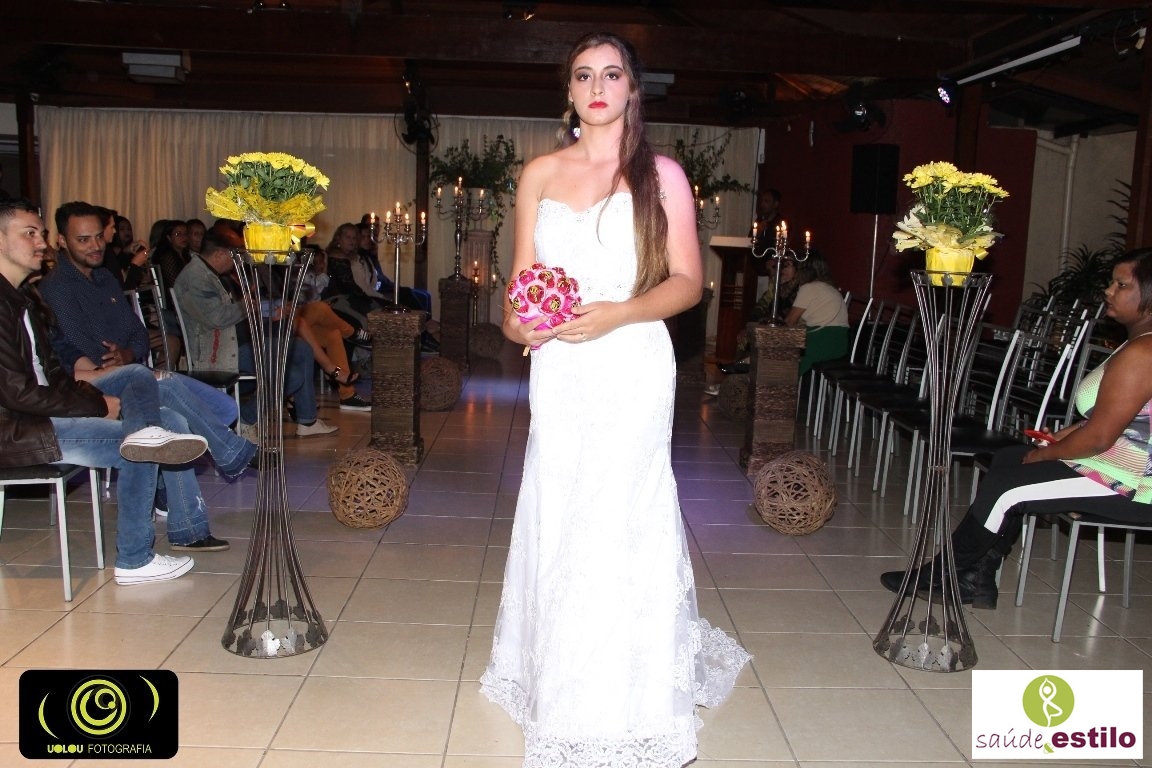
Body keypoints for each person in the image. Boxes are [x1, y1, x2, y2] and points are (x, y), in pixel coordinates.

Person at [480, 32, 750, 767]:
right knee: (561, 504)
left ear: (633, 88)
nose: (597, 87)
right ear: (568, 91)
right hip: (561, 369)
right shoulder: (539, 173)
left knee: (619, 511)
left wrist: (617, 313)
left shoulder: (662, 174)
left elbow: (689, 282)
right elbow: (517, 293)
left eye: (611, 74)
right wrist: (522, 323)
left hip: (632, 357)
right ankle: (556, 667)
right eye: (583, 75)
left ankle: (624, 684)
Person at [882, 248, 1152, 609]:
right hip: (1112, 465)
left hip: (1133, 486)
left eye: (1121, 285)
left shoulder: (1143, 354)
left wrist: (1048, 454)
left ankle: (944, 574)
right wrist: (1069, 433)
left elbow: (1101, 438)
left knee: (1008, 487)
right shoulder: (1137, 344)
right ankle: (976, 579)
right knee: (1007, 458)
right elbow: (1122, 418)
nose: (1108, 290)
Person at [0, 197, 220, 584]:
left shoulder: (26, 299)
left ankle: (183, 521)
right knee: (141, 444)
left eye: (42, 233)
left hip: (42, 415)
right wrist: (95, 403)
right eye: (29, 233)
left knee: (152, 404)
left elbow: (54, 373)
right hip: (20, 429)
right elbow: (17, 394)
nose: (41, 243)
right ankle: (134, 559)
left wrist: (91, 398)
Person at [173, 231, 338, 437]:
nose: (238, 262)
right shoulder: (196, 278)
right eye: (235, 256)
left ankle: (307, 420)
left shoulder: (207, 273)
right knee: (291, 376)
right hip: (218, 350)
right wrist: (249, 306)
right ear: (220, 254)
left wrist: (257, 309)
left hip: (234, 340)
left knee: (302, 348)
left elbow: (227, 313)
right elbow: (217, 318)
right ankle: (246, 418)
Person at [779, 250, 849, 376]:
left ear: (803, 269)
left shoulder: (809, 288)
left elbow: (789, 321)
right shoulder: (829, 287)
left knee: (784, 365)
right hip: (840, 344)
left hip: (822, 342)